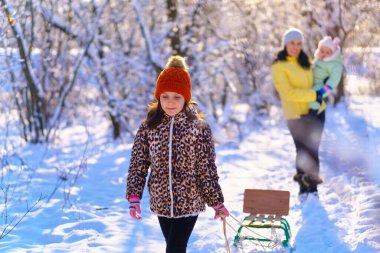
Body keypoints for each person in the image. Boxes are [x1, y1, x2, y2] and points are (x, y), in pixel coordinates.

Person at [126, 55, 229, 253]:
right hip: (160, 200)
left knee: (174, 248)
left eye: (176, 97)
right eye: (165, 96)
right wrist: (133, 197)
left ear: (186, 98)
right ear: (158, 97)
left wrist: (217, 202)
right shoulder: (149, 127)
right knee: (174, 247)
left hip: (190, 199)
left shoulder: (198, 128)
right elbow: (138, 164)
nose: (170, 102)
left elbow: (206, 169)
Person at [271, 28, 329, 199]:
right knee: (303, 151)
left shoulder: (307, 62)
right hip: (296, 116)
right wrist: (313, 94)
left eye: (299, 43)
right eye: (292, 43)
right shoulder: (279, 66)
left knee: (313, 150)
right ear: (285, 44)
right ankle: (304, 188)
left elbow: (319, 79)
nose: (296, 47)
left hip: (316, 111)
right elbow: (288, 93)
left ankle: (313, 189)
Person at [309, 36, 343, 115]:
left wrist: (324, 89)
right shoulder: (317, 60)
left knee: (314, 96)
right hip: (314, 82)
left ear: (332, 55)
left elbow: (334, 79)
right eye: (322, 51)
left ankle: (312, 112)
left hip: (323, 86)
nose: (324, 54)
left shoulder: (333, 64)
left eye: (328, 52)